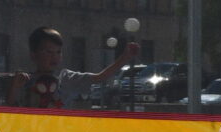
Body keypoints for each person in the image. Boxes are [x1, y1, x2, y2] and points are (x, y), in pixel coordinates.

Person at [8, 26, 138, 110]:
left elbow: (100, 77)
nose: (54, 57)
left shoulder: (66, 77)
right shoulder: (27, 81)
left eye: (58, 52)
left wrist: (124, 58)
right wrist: (14, 88)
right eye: (48, 52)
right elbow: (11, 110)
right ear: (34, 55)